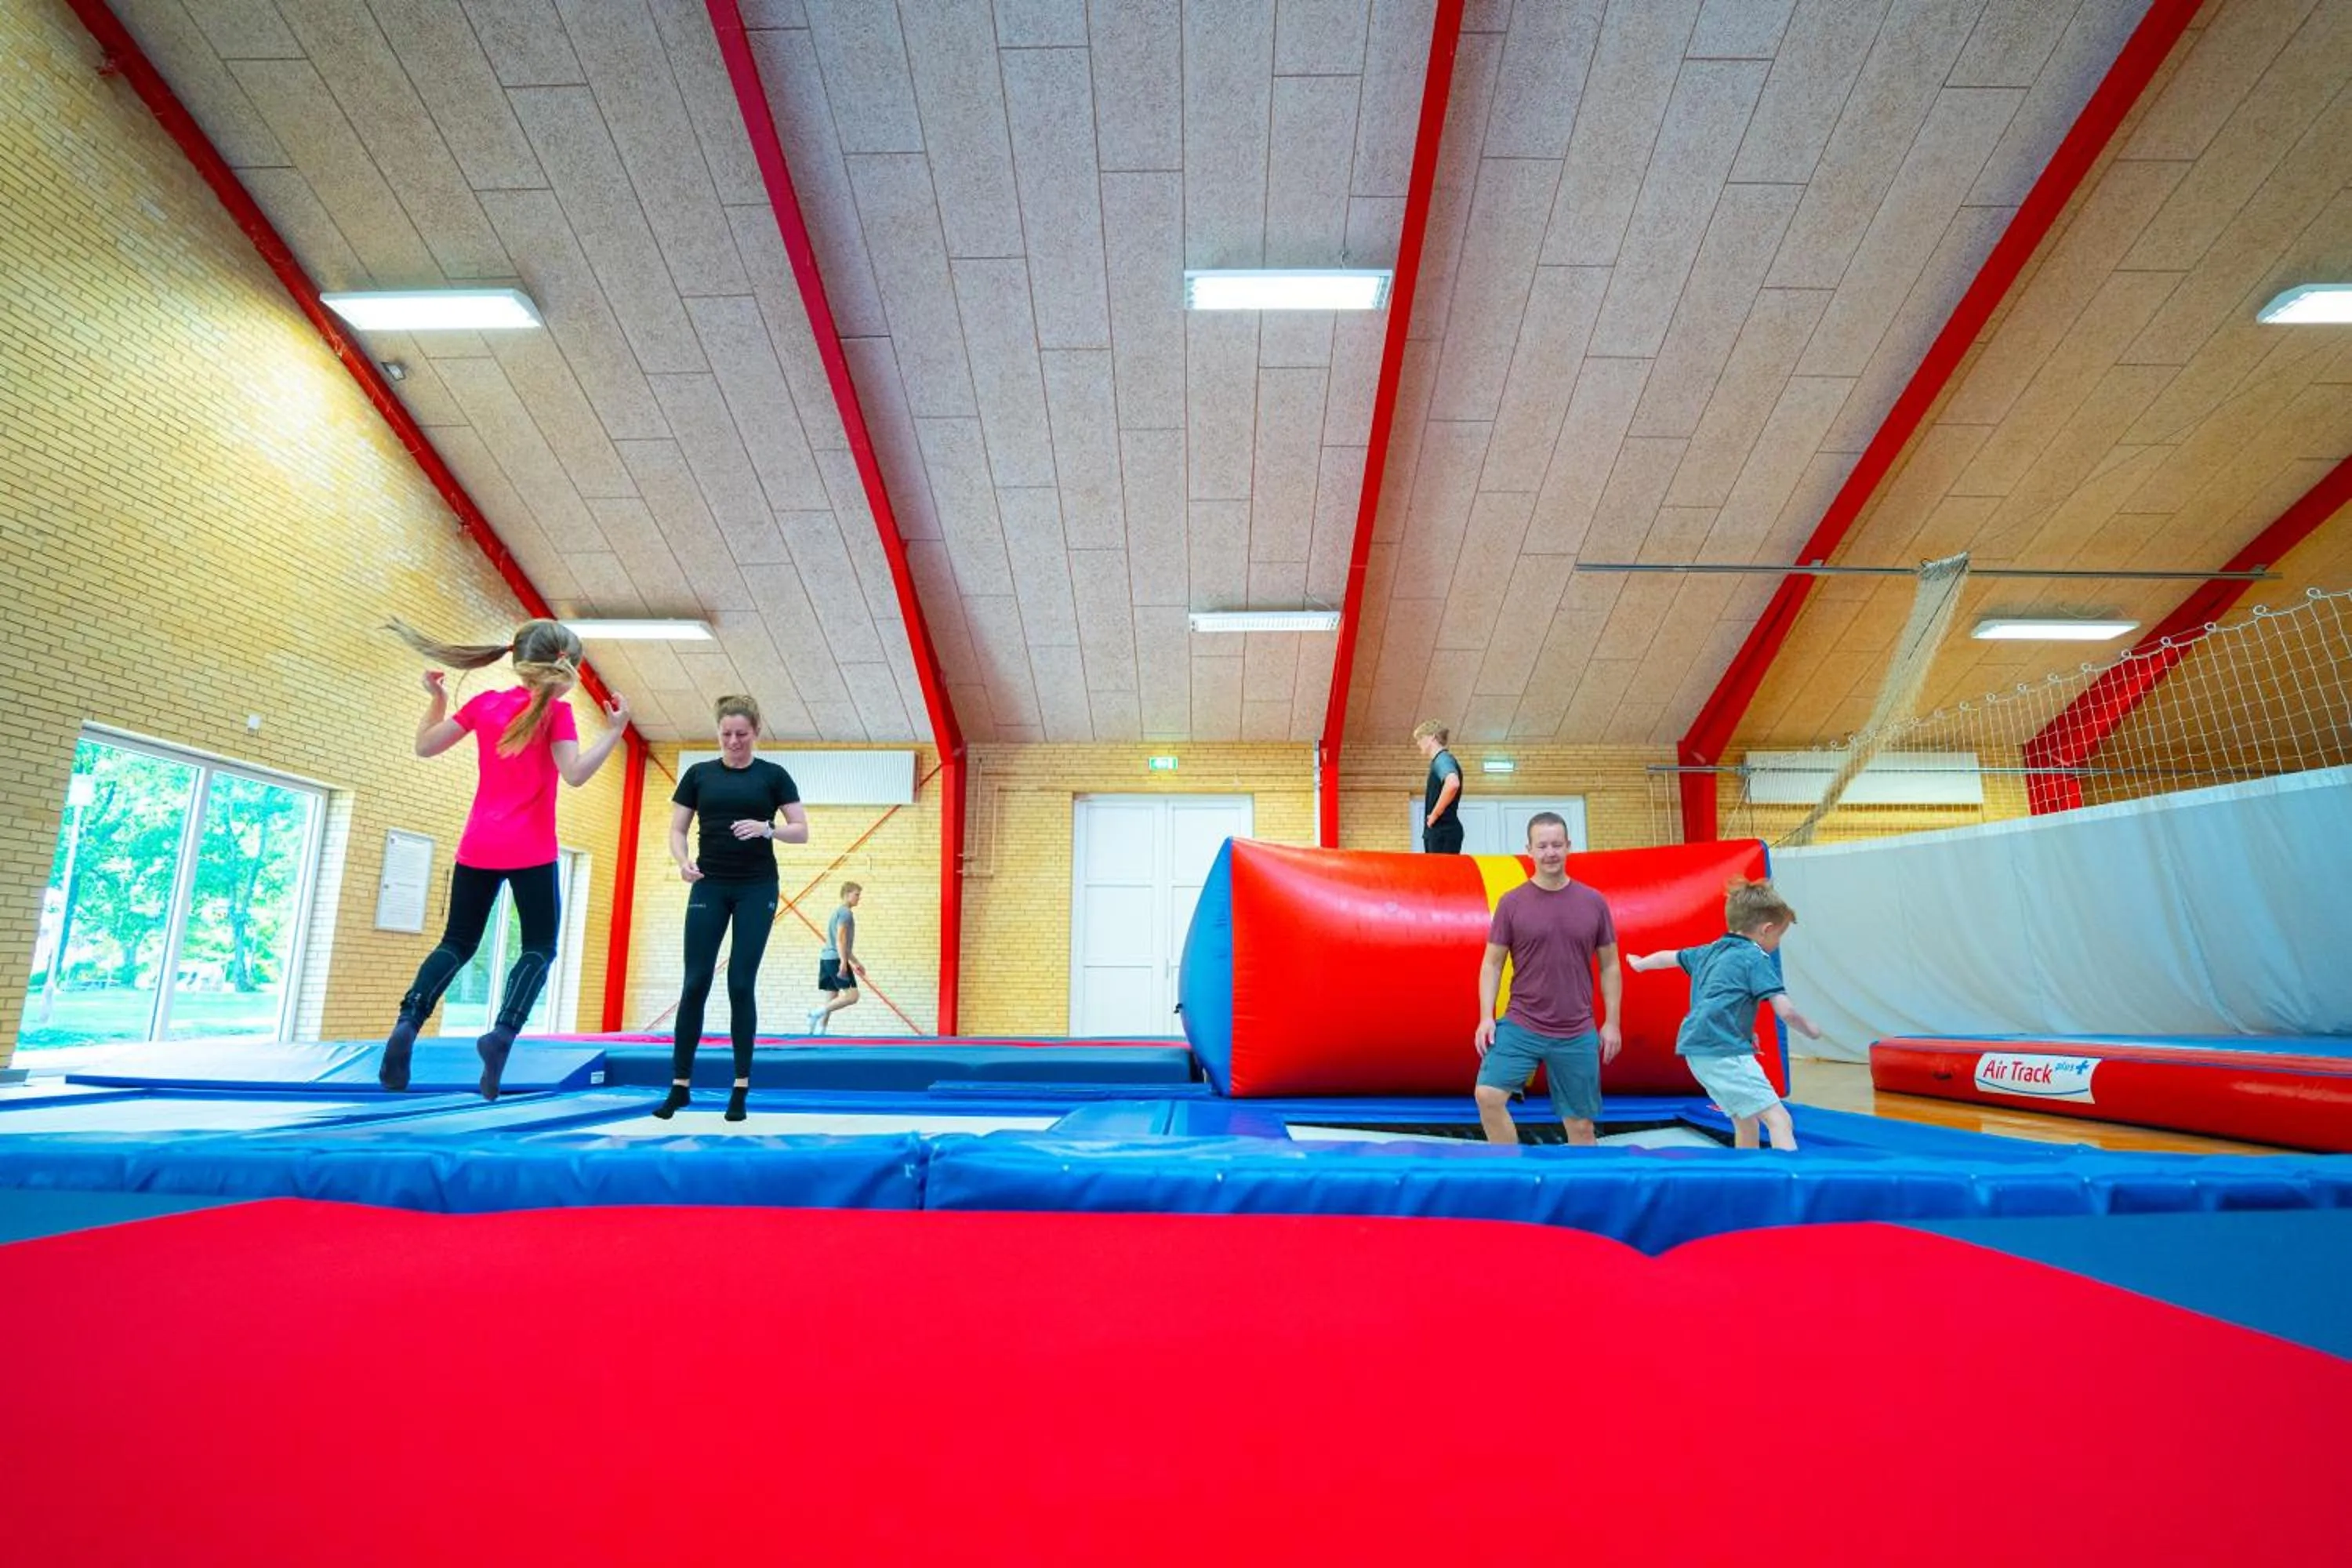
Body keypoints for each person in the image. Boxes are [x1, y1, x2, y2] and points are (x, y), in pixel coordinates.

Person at [378, 619, 628, 1099]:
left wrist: (436, 699)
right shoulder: (556, 713)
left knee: (456, 942)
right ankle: (502, 1035)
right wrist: (614, 733)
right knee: (538, 946)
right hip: (531, 848)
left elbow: (424, 746)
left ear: (517, 661)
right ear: (565, 665)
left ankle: (409, 1020)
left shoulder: (485, 705)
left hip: (478, 845)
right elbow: (574, 774)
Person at [654, 695, 808, 1123]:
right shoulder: (699, 775)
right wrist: (682, 861)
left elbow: (801, 832)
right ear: (718, 733)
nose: (734, 742)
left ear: (756, 732)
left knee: (740, 983)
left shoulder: (773, 776)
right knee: (695, 982)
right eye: (726, 735)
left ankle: (740, 1087)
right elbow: (678, 829)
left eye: (742, 734)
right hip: (711, 884)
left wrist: (767, 828)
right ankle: (680, 1086)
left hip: (757, 887)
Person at [1628, 878, 1822, 1151]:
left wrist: (1640, 965)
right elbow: (1786, 1012)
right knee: (1779, 1121)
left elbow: (1667, 958)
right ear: (1766, 930)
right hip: (1724, 1052)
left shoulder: (1709, 951)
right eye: (1779, 936)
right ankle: (1788, 1184)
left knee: (1745, 1120)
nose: (1777, 944)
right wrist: (1810, 1029)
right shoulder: (1755, 958)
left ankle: (1748, 1174)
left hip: (1697, 1051)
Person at [1472, 812, 1621, 1145]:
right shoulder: (1512, 903)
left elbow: (1610, 965)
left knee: (1580, 1125)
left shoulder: (1593, 902)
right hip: (1523, 1021)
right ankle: (1512, 1174)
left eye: (1556, 844)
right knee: (1488, 1096)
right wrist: (1485, 1017)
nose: (1550, 852)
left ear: (1569, 847)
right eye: (1542, 846)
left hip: (1575, 1029)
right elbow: (1492, 964)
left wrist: (1612, 1022)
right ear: (1529, 850)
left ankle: (1583, 1193)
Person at [807, 883, 865, 1035]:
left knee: (832, 996)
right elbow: (840, 940)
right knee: (852, 996)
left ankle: (821, 1030)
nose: (859, 898)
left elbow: (843, 944)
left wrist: (856, 962)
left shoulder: (837, 912)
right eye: (856, 894)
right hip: (835, 959)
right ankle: (815, 1013)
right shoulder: (846, 913)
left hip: (827, 958)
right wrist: (844, 963)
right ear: (847, 894)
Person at [1414, 720, 1464, 853]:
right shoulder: (1440, 761)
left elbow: (1453, 784)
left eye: (1420, 738)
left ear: (1432, 737)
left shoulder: (1442, 759)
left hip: (1443, 832)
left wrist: (1434, 815)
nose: (1418, 743)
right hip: (1441, 832)